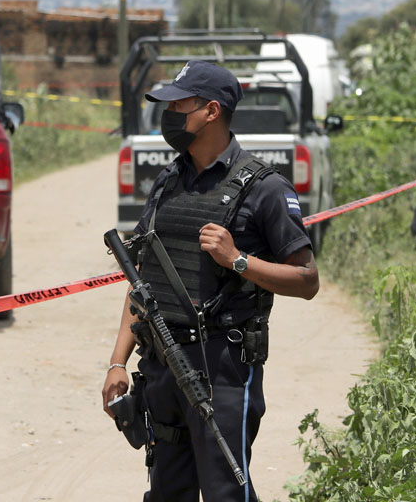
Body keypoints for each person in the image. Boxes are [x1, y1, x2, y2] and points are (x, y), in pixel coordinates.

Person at [101, 60, 319, 501]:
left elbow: (306, 279)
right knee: (166, 493)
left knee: (225, 492)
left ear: (212, 111)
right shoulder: (167, 182)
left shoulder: (265, 188)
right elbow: (143, 280)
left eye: (179, 104)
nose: (170, 114)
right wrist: (117, 362)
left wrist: (238, 260)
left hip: (222, 368)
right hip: (163, 364)